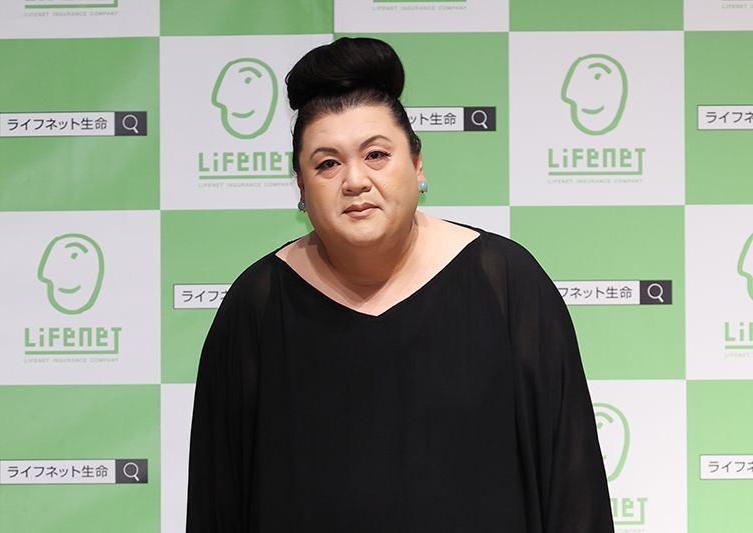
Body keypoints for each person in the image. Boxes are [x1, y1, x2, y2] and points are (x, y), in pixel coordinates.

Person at [186, 37, 614, 532]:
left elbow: (572, 488)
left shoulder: (507, 283)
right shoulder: (256, 307)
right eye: (327, 164)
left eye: (376, 155)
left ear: (417, 165)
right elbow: (216, 503)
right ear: (301, 186)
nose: (354, 181)